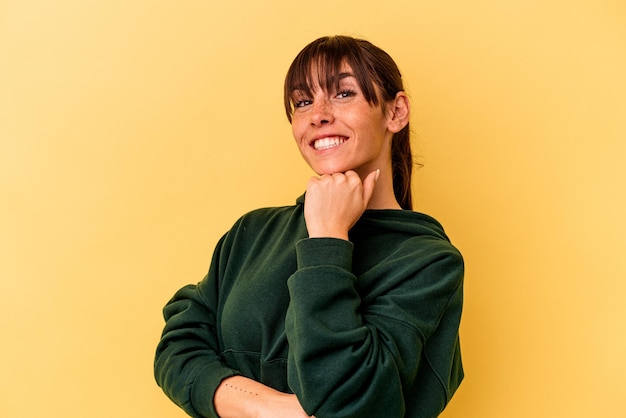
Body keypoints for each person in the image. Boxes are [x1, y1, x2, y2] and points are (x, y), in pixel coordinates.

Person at [154, 35, 464, 418]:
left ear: (396, 112)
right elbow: (178, 347)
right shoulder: (252, 233)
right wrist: (275, 410)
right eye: (303, 101)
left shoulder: (429, 263)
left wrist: (329, 237)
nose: (318, 113)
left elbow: (351, 401)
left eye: (343, 94)